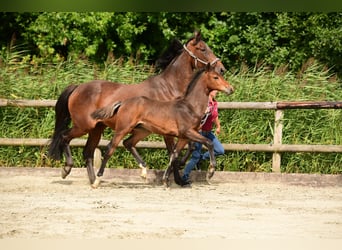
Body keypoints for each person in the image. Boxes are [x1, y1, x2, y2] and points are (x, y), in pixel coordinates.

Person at [181, 90, 225, 185]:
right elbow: (195, 115)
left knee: (220, 150)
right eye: (214, 90)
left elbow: (215, 116)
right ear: (210, 91)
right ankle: (185, 176)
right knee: (195, 156)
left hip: (208, 133)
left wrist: (218, 126)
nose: (216, 91)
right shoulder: (203, 102)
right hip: (199, 133)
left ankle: (201, 158)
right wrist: (203, 114)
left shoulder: (214, 103)